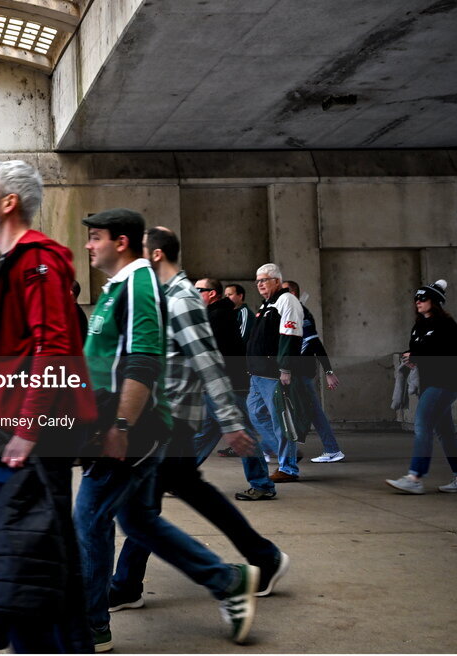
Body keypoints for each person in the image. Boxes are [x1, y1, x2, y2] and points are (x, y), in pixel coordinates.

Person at [75, 211, 259, 651]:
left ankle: (91, 625)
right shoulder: (117, 289)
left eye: (95, 237)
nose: (88, 245)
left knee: (90, 518)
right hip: (131, 427)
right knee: (137, 520)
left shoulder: (143, 287)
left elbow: (145, 360)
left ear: (122, 242)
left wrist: (120, 425)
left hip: (133, 432)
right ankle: (228, 580)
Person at [107, 235, 287, 623]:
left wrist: (231, 421)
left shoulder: (183, 299)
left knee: (141, 511)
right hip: (165, 424)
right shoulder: (164, 296)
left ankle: (128, 586)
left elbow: (208, 363)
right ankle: (262, 556)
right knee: (174, 501)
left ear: (156, 254)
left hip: (171, 425)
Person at [0, 159, 97, 652]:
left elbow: (54, 346)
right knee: (36, 554)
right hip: (26, 429)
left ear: (8, 202)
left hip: (41, 435)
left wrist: (27, 426)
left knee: (17, 552)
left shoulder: (37, 259)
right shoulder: (18, 260)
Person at [191, 277, 278, 500]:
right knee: (204, 434)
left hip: (228, 386)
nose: (193, 293)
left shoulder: (218, 315)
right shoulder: (215, 314)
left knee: (241, 435)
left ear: (212, 293)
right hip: (218, 385)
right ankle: (178, 477)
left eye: (198, 290)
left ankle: (262, 485)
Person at [386, 280, 457, 494]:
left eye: (422, 298)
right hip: (428, 383)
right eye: (416, 298)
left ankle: (415, 477)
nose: (418, 301)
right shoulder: (419, 326)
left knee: (422, 425)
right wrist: (412, 358)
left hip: (444, 383)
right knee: (445, 432)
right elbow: (417, 350)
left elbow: (450, 356)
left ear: (435, 301)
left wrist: (418, 356)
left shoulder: (448, 327)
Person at [245, 263, 304, 483]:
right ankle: (289, 453)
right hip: (257, 374)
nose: (260, 284)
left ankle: (288, 468)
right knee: (256, 414)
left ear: (277, 281)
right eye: (258, 281)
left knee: (282, 421)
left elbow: (290, 336)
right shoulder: (268, 303)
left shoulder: (286, 301)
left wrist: (285, 368)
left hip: (273, 374)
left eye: (264, 280)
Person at [283, 280, 345, 463]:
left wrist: (328, 372)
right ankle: (273, 448)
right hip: (291, 372)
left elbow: (315, 343)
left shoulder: (301, 314)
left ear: (292, 293)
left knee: (313, 411)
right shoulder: (288, 312)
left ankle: (332, 449)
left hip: (300, 372)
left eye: (284, 291)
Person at [217, 283, 254, 459]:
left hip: (240, 369)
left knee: (242, 409)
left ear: (240, 296)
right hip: (230, 370)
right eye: (226, 294)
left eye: (230, 294)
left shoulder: (244, 314)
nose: (227, 297)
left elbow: (242, 339)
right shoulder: (228, 313)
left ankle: (270, 446)